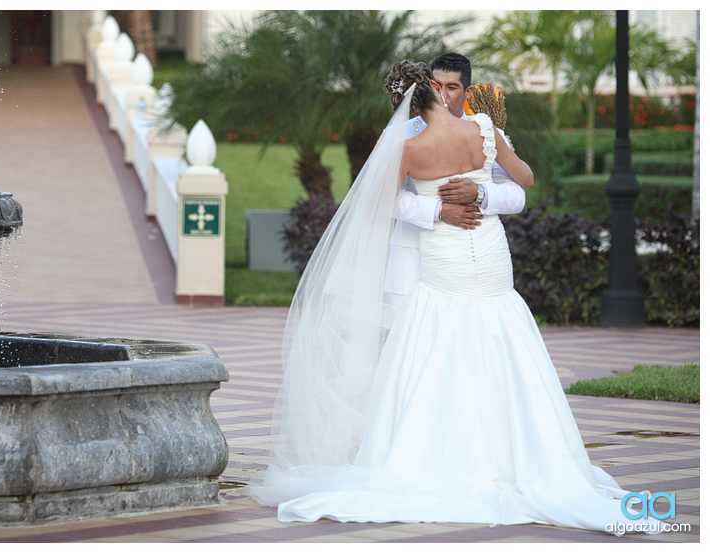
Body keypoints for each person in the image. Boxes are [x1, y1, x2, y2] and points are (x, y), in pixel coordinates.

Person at [249, 60, 649, 536]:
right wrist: (450, 201)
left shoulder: (409, 148)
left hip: (447, 251)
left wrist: (469, 201)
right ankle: (523, 456)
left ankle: (438, 455)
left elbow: (379, 204)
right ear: (438, 89)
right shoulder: (483, 129)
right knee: (497, 327)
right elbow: (525, 176)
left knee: (440, 334)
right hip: (486, 249)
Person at [387, 53, 526, 307]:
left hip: (480, 255)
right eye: (437, 85)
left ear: (468, 91)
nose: (443, 94)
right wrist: (438, 210)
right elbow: (382, 197)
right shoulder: (399, 136)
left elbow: (518, 196)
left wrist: (480, 193)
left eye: (452, 87)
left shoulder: (487, 132)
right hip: (412, 254)